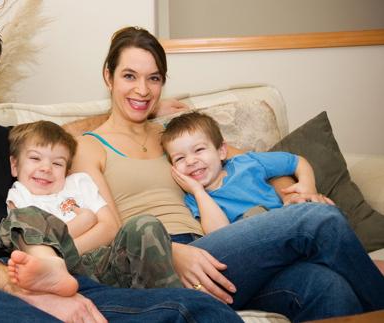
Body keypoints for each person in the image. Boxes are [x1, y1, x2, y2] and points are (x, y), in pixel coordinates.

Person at [0, 9, 244, 323]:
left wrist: (140, 115)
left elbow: (61, 136)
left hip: (32, 272)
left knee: (198, 310)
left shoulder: (1, 142)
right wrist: (25, 289)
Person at [69, 26, 384, 322]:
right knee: (319, 219)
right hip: (159, 261)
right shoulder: (88, 146)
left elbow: (248, 164)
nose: (142, 89)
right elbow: (110, 228)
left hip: (220, 247)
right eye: (129, 76)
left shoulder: (172, 135)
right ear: (108, 77)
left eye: (153, 79)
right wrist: (171, 252)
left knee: (327, 286)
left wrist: (292, 193)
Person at [0, 120, 180, 297]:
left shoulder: (79, 183)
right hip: (63, 272)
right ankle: (53, 267)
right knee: (24, 218)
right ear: (15, 166)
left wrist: (63, 252)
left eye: (57, 163)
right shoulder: (20, 195)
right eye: (35, 158)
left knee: (145, 224)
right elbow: (32, 243)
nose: (46, 168)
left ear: (67, 170)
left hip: (104, 261)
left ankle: (173, 298)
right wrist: (85, 221)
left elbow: (110, 229)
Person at [161, 111, 327, 234]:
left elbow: (296, 161)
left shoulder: (247, 163)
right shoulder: (195, 200)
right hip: (256, 243)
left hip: (288, 224)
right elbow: (220, 235)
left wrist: (307, 187)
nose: (190, 161)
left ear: (221, 151)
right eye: (179, 158)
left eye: (198, 149)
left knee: (325, 213)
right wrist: (198, 192)